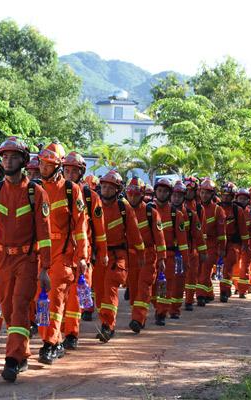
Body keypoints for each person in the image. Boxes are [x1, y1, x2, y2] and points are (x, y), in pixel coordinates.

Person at [0, 136, 52, 382]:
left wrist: (44, 268)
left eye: (14, 156)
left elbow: (45, 235)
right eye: (4, 157)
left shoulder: (36, 193)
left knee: (19, 307)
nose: (8, 161)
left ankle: (12, 359)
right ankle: (22, 352)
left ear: (24, 161)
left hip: (26, 259)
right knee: (6, 307)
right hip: (1, 258)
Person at [36, 143, 88, 365]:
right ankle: (54, 340)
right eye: (41, 163)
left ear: (57, 166)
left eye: (48, 164)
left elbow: (81, 226)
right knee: (41, 301)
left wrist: (82, 256)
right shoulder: (35, 189)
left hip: (62, 255)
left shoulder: (71, 190)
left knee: (55, 299)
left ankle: (49, 343)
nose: (43, 168)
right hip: (39, 254)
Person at [62, 151, 108, 343]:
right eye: (67, 170)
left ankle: (71, 334)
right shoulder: (55, 191)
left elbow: (100, 230)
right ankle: (58, 333)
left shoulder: (91, 197)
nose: (70, 175)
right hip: (61, 254)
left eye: (74, 171)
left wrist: (102, 253)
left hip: (83, 255)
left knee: (76, 296)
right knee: (58, 295)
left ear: (81, 173)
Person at [95, 170, 145, 341]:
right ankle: (105, 321)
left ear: (117, 190)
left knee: (110, 289)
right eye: (104, 186)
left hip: (118, 256)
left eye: (110, 187)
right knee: (99, 292)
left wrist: (140, 254)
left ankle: (107, 326)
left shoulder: (124, 208)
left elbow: (135, 235)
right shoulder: (95, 206)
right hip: (98, 256)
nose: (106, 190)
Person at [125, 177, 166, 333]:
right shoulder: (124, 211)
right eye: (130, 194)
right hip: (131, 256)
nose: (132, 197)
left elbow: (159, 237)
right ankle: (138, 316)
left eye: (136, 194)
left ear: (142, 194)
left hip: (148, 256)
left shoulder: (151, 213)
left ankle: (138, 318)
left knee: (144, 286)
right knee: (134, 288)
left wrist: (161, 258)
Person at [150, 178, 189, 325]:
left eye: (165, 191)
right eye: (159, 191)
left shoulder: (175, 215)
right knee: (152, 286)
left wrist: (185, 260)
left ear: (169, 193)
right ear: (155, 192)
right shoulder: (149, 210)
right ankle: (157, 307)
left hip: (169, 256)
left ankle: (161, 313)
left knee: (165, 286)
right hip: (151, 255)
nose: (162, 194)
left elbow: (183, 241)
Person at [170, 180, 207, 314]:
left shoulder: (191, 214)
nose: (176, 198)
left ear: (183, 197)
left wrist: (203, 251)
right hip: (168, 252)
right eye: (174, 195)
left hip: (188, 252)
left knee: (187, 279)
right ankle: (162, 308)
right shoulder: (161, 212)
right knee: (168, 281)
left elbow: (198, 235)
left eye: (179, 196)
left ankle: (185, 303)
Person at [218, 182, 249, 303]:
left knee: (228, 267)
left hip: (233, 244)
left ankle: (224, 291)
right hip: (217, 243)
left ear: (232, 196)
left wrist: (245, 245)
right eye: (224, 195)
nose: (225, 197)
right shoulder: (217, 208)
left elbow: (243, 229)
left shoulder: (237, 210)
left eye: (228, 195)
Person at [196, 179, 226, 305]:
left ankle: (201, 296)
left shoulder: (217, 210)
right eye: (203, 192)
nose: (204, 195)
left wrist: (222, 249)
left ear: (212, 194)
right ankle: (209, 293)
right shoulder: (195, 207)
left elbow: (222, 233)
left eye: (207, 193)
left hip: (211, 246)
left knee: (205, 270)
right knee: (198, 271)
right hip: (197, 245)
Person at [233, 188, 251, 298]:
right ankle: (237, 286)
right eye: (240, 198)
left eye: (244, 199)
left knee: (245, 267)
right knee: (235, 266)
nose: (242, 201)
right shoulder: (232, 211)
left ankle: (242, 290)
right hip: (235, 243)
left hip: (248, 244)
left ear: (248, 200)